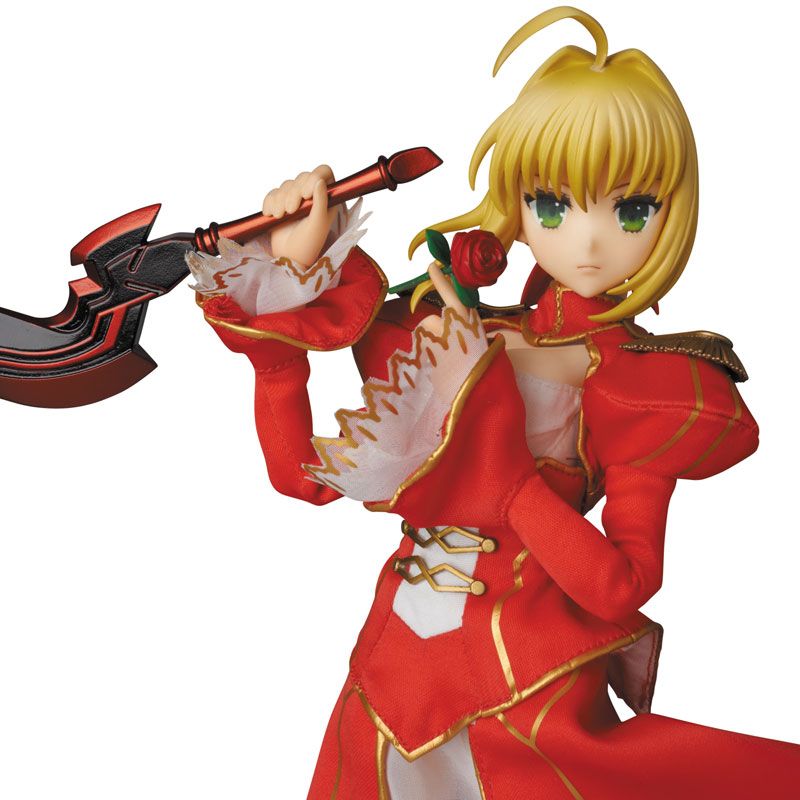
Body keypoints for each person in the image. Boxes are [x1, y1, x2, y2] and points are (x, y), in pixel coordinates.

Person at [188, 6, 800, 798]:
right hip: (390, 678)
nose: (587, 241)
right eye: (553, 204)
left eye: (631, 210)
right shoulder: (449, 326)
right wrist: (288, 289)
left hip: (529, 688)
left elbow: (621, 584)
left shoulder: (643, 381)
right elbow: (300, 476)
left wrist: (508, 487)